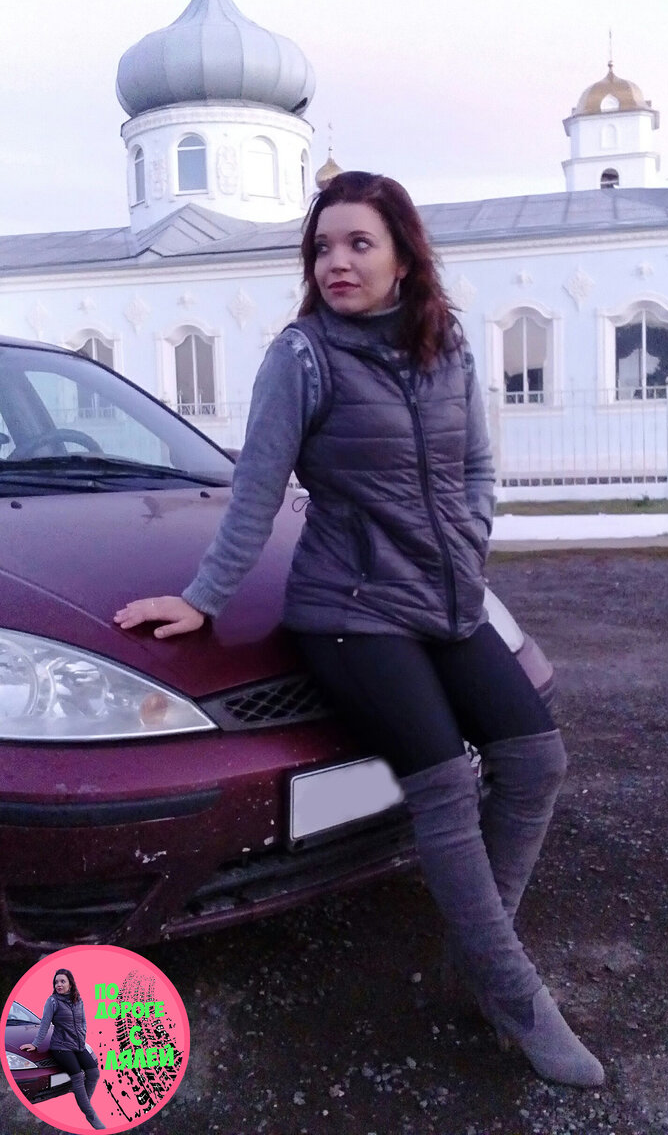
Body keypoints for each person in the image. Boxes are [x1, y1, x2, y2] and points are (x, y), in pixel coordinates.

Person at [114, 170, 604, 1088]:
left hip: (444, 600)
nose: (335, 262)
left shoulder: (445, 345)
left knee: (536, 759)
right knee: (445, 789)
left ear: (403, 256)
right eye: (322, 247)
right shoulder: (301, 357)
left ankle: (478, 958)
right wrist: (202, 598)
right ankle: (516, 994)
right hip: (349, 611)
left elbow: (476, 469)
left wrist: (467, 543)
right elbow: (255, 491)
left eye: (358, 244)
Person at [20, 968, 105, 1128]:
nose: (58, 984)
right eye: (56, 982)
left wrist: (82, 1037)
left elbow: (83, 1021)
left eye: (62, 981)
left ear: (70, 984)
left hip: (78, 1045)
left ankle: (84, 1104)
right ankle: (91, 1116)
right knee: (78, 1077)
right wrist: (35, 1044)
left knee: (94, 1073)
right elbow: (44, 1024)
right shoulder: (52, 1001)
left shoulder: (78, 1000)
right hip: (61, 1047)